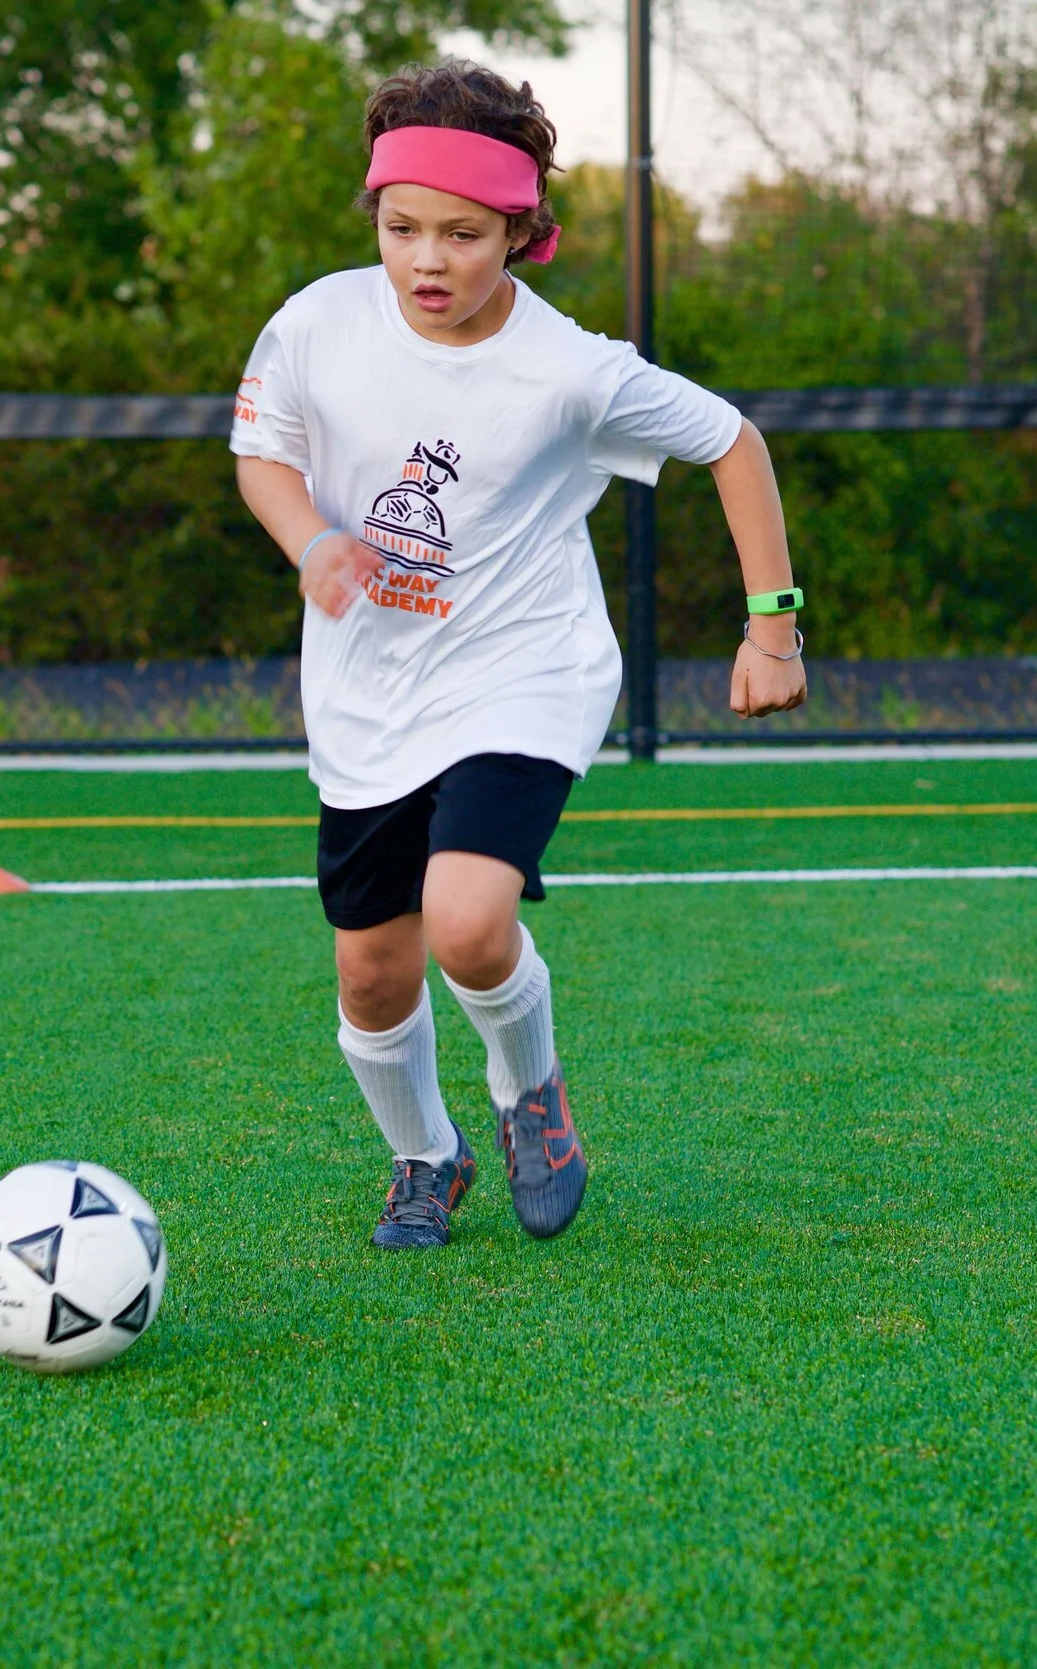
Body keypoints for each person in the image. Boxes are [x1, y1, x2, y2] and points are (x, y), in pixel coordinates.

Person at [231, 60, 807, 1248]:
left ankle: (527, 1094)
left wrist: (770, 627)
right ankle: (424, 1159)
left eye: (462, 233)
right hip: (366, 697)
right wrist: (311, 544)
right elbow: (264, 457)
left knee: (468, 919)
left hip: (523, 676)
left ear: (522, 232)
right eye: (401, 229)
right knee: (371, 976)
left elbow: (733, 444)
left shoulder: (571, 370)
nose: (427, 260)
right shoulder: (314, 322)